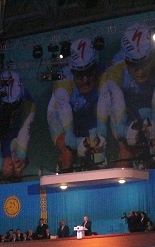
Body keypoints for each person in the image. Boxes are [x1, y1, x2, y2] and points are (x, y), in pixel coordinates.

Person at [98, 23, 155, 169]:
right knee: (125, 149)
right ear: (125, 60)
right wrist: (126, 132)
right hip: (128, 111)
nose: (140, 72)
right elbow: (117, 116)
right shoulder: (114, 70)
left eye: (144, 63)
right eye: (133, 65)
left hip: (153, 107)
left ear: (152, 56)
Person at [48, 37, 107, 172]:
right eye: (79, 74)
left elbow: (102, 126)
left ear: (96, 67)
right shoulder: (62, 82)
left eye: (89, 72)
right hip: (59, 115)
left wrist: (98, 141)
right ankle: (63, 171)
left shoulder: (104, 72)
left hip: (87, 115)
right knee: (68, 153)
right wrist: (81, 144)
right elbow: (69, 138)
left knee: (97, 154)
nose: (85, 79)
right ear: (72, 72)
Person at [0, 70, 36, 184]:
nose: (12, 114)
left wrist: (19, 160)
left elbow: (24, 134)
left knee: (16, 167)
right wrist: (0, 163)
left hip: (13, 130)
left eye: (15, 107)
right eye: (8, 109)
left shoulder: (29, 103)